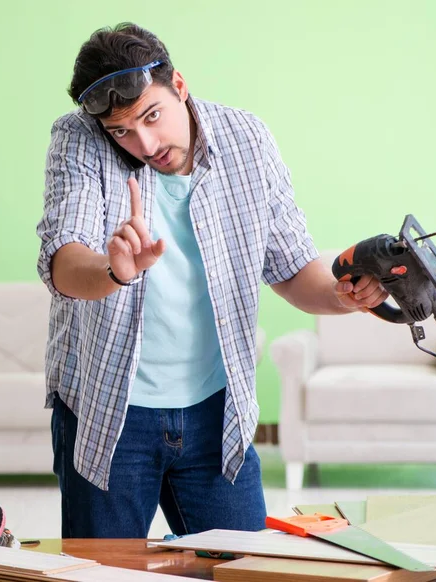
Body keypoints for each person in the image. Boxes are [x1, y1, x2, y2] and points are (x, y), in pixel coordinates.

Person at [36, 22, 388, 539]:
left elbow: (294, 270)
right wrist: (114, 270)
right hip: (110, 411)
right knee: (101, 576)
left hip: (216, 413)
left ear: (179, 84)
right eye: (122, 132)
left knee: (248, 570)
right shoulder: (78, 138)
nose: (145, 143)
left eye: (152, 116)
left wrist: (348, 293)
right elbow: (64, 263)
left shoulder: (247, 139)